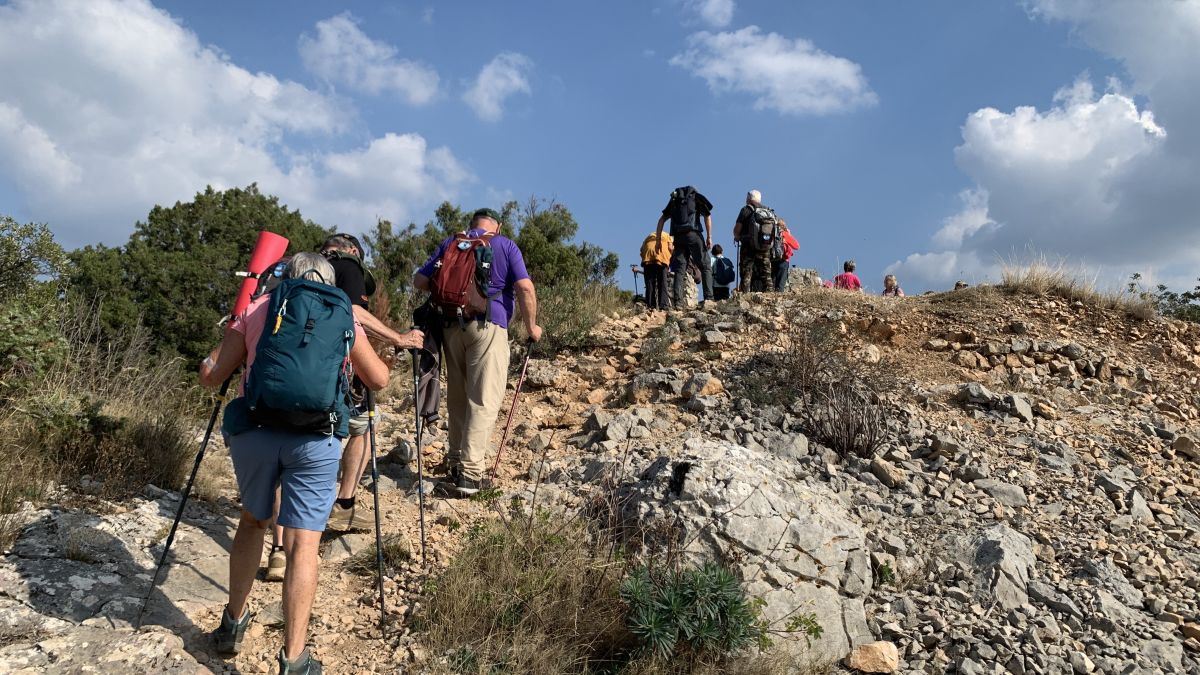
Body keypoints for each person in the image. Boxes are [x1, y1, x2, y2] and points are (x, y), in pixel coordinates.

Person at [201, 253, 390, 674]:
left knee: (253, 521)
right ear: (327, 282)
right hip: (316, 439)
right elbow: (378, 380)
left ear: (286, 276)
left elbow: (214, 374)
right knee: (305, 543)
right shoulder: (342, 313)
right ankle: (295, 659)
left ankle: (232, 624)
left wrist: (213, 358)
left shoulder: (259, 308)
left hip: (256, 432)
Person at [414, 208, 542, 496]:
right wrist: (532, 326)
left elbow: (419, 282)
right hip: (488, 326)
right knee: (483, 398)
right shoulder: (504, 244)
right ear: (497, 225)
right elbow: (525, 287)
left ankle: (456, 463)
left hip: (450, 328)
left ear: (472, 224)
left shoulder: (451, 243)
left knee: (458, 397)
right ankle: (470, 476)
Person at [655, 186, 714, 307]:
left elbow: (661, 220)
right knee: (706, 265)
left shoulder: (674, 200)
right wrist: (709, 236)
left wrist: (658, 241)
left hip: (678, 237)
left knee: (680, 269)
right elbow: (707, 216)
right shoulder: (696, 198)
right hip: (693, 234)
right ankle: (709, 297)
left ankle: (678, 302)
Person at [733, 190, 775, 293]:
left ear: (748, 198)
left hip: (748, 246)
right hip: (764, 246)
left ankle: (745, 294)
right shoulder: (768, 211)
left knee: (746, 271)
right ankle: (770, 294)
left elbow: (737, 229)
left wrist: (737, 236)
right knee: (766, 272)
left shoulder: (746, 210)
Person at [640, 230, 673, 310]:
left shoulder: (649, 236)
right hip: (661, 254)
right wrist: (670, 261)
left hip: (648, 254)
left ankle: (650, 305)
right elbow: (670, 248)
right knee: (662, 281)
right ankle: (663, 305)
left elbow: (641, 251)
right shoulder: (669, 236)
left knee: (650, 282)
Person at [773, 220, 800, 293]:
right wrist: (789, 235)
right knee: (780, 286)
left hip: (771, 261)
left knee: (772, 284)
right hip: (783, 261)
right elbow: (797, 246)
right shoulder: (785, 234)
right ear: (784, 226)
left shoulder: (771, 235)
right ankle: (777, 300)